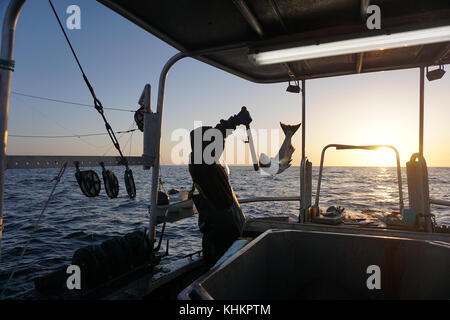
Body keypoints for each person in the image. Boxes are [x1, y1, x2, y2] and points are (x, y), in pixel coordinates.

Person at [189, 107, 252, 267]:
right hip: (219, 240)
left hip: (228, 233)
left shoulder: (210, 164)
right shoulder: (201, 163)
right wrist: (236, 119)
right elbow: (219, 132)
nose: (221, 145)